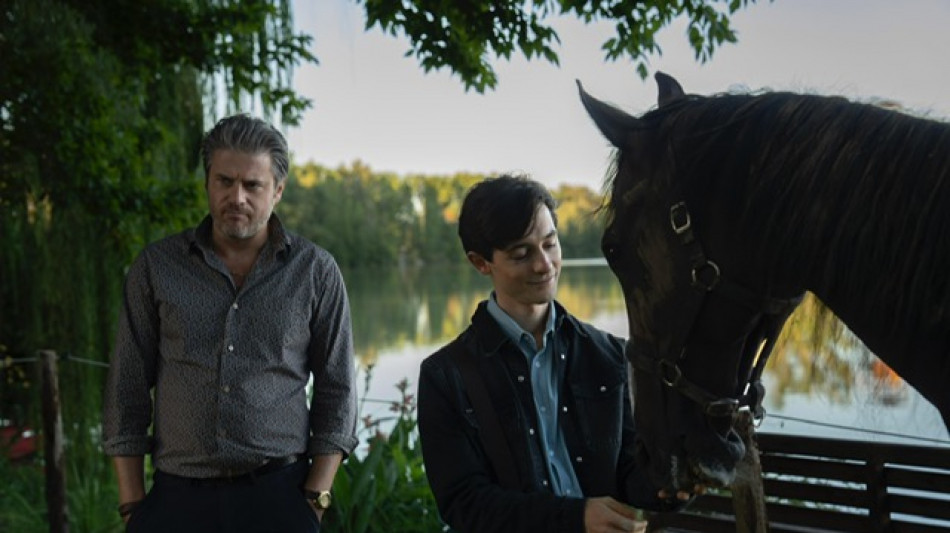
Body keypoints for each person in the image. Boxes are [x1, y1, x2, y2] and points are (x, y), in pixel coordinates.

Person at [102, 114, 358, 533]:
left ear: (277, 190)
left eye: (252, 185)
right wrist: (133, 506)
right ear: (207, 183)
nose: (236, 197)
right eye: (224, 181)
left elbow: (338, 389)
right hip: (176, 501)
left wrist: (315, 500)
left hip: (280, 496)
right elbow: (127, 387)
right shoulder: (156, 267)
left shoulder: (315, 271)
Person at [417, 174, 698, 533]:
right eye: (522, 254)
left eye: (550, 244)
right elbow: (465, 505)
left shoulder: (610, 355)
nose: (544, 264)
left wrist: (675, 481)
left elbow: (630, 474)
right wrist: (575, 519)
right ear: (480, 263)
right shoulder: (445, 375)